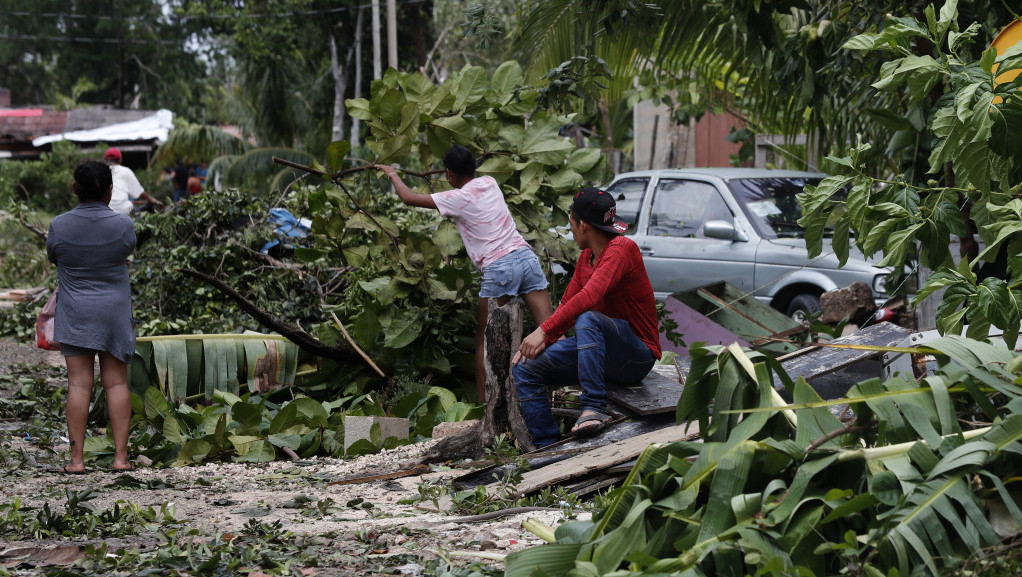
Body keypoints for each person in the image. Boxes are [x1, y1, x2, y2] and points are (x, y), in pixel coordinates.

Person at [374, 145, 554, 400]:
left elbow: (408, 198)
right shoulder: (490, 182)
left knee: (484, 341)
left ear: (449, 174)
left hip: (499, 267)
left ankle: (482, 409)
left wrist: (392, 173)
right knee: (551, 329)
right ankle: (571, 390)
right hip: (526, 258)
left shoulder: (456, 199)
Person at [512, 187, 661, 448]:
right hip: (603, 352)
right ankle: (547, 446)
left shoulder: (622, 249)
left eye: (571, 224)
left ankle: (593, 407)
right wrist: (546, 339)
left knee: (587, 318)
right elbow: (568, 303)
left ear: (581, 225)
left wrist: (543, 331)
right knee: (525, 367)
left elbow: (590, 297)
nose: (571, 231)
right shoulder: (585, 259)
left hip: (636, 356)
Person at [46, 160, 137, 474]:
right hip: (113, 312)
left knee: (79, 385)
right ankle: (120, 459)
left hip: (75, 312)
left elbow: (53, 254)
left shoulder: (59, 225)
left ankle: (77, 461)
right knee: (116, 384)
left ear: (75, 189)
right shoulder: (124, 225)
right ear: (110, 191)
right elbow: (125, 250)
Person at [104, 147, 162, 215]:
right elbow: (139, 191)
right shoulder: (125, 171)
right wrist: (151, 199)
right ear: (120, 160)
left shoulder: (102, 171)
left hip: (105, 210)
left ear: (105, 160)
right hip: (124, 210)